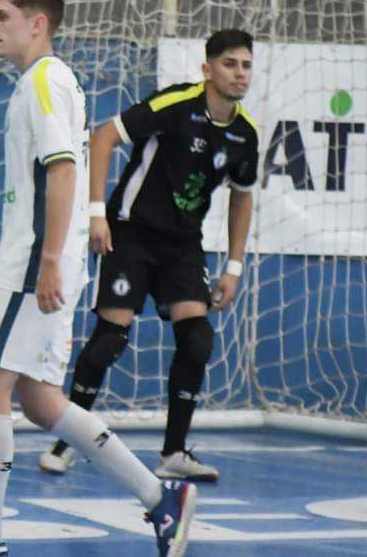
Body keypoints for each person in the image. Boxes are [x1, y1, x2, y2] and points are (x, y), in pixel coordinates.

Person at [0, 0, 195, 557]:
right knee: (40, 402)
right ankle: (161, 498)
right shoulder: (50, 80)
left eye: (3, 15)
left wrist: (48, 262)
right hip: (46, 257)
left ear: (37, 24)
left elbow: (62, 171)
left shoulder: (44, 79)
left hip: (33, 261)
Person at [39, 28, 258, 484]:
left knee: (198, 340)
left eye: (246, 65)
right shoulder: (175, 104)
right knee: (109, 341)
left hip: (183, 244)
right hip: (131, 233)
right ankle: (65, 441)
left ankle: (173, 452)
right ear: (207, 69)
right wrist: (97, 214)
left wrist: (234, 267)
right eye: (229, 64)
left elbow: (242, 196)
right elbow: (103, 138)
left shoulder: (244, 134)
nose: (239, 73)